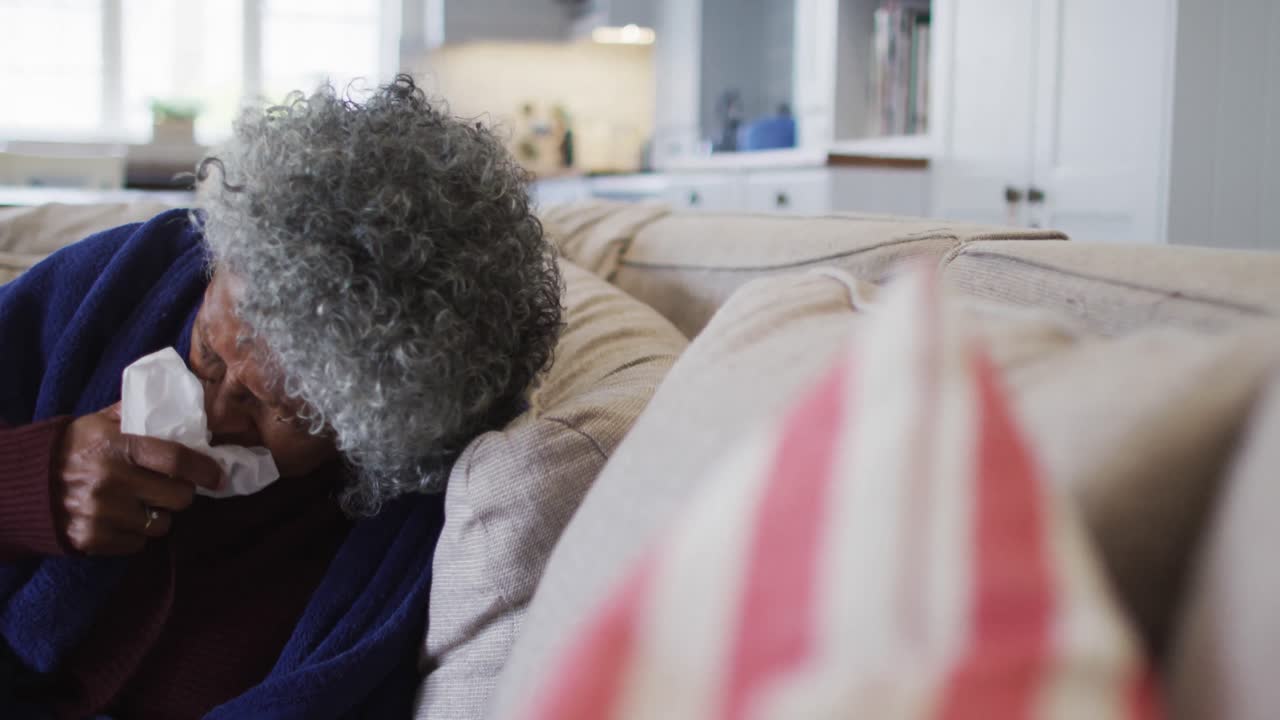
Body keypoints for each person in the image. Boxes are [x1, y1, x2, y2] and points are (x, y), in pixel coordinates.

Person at [0, 75, 563, 718]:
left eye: (279, 410)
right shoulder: (136, 276)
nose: (213, 413)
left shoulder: (414, 522)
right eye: (209, 350)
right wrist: (31, 481)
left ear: (377, 433)